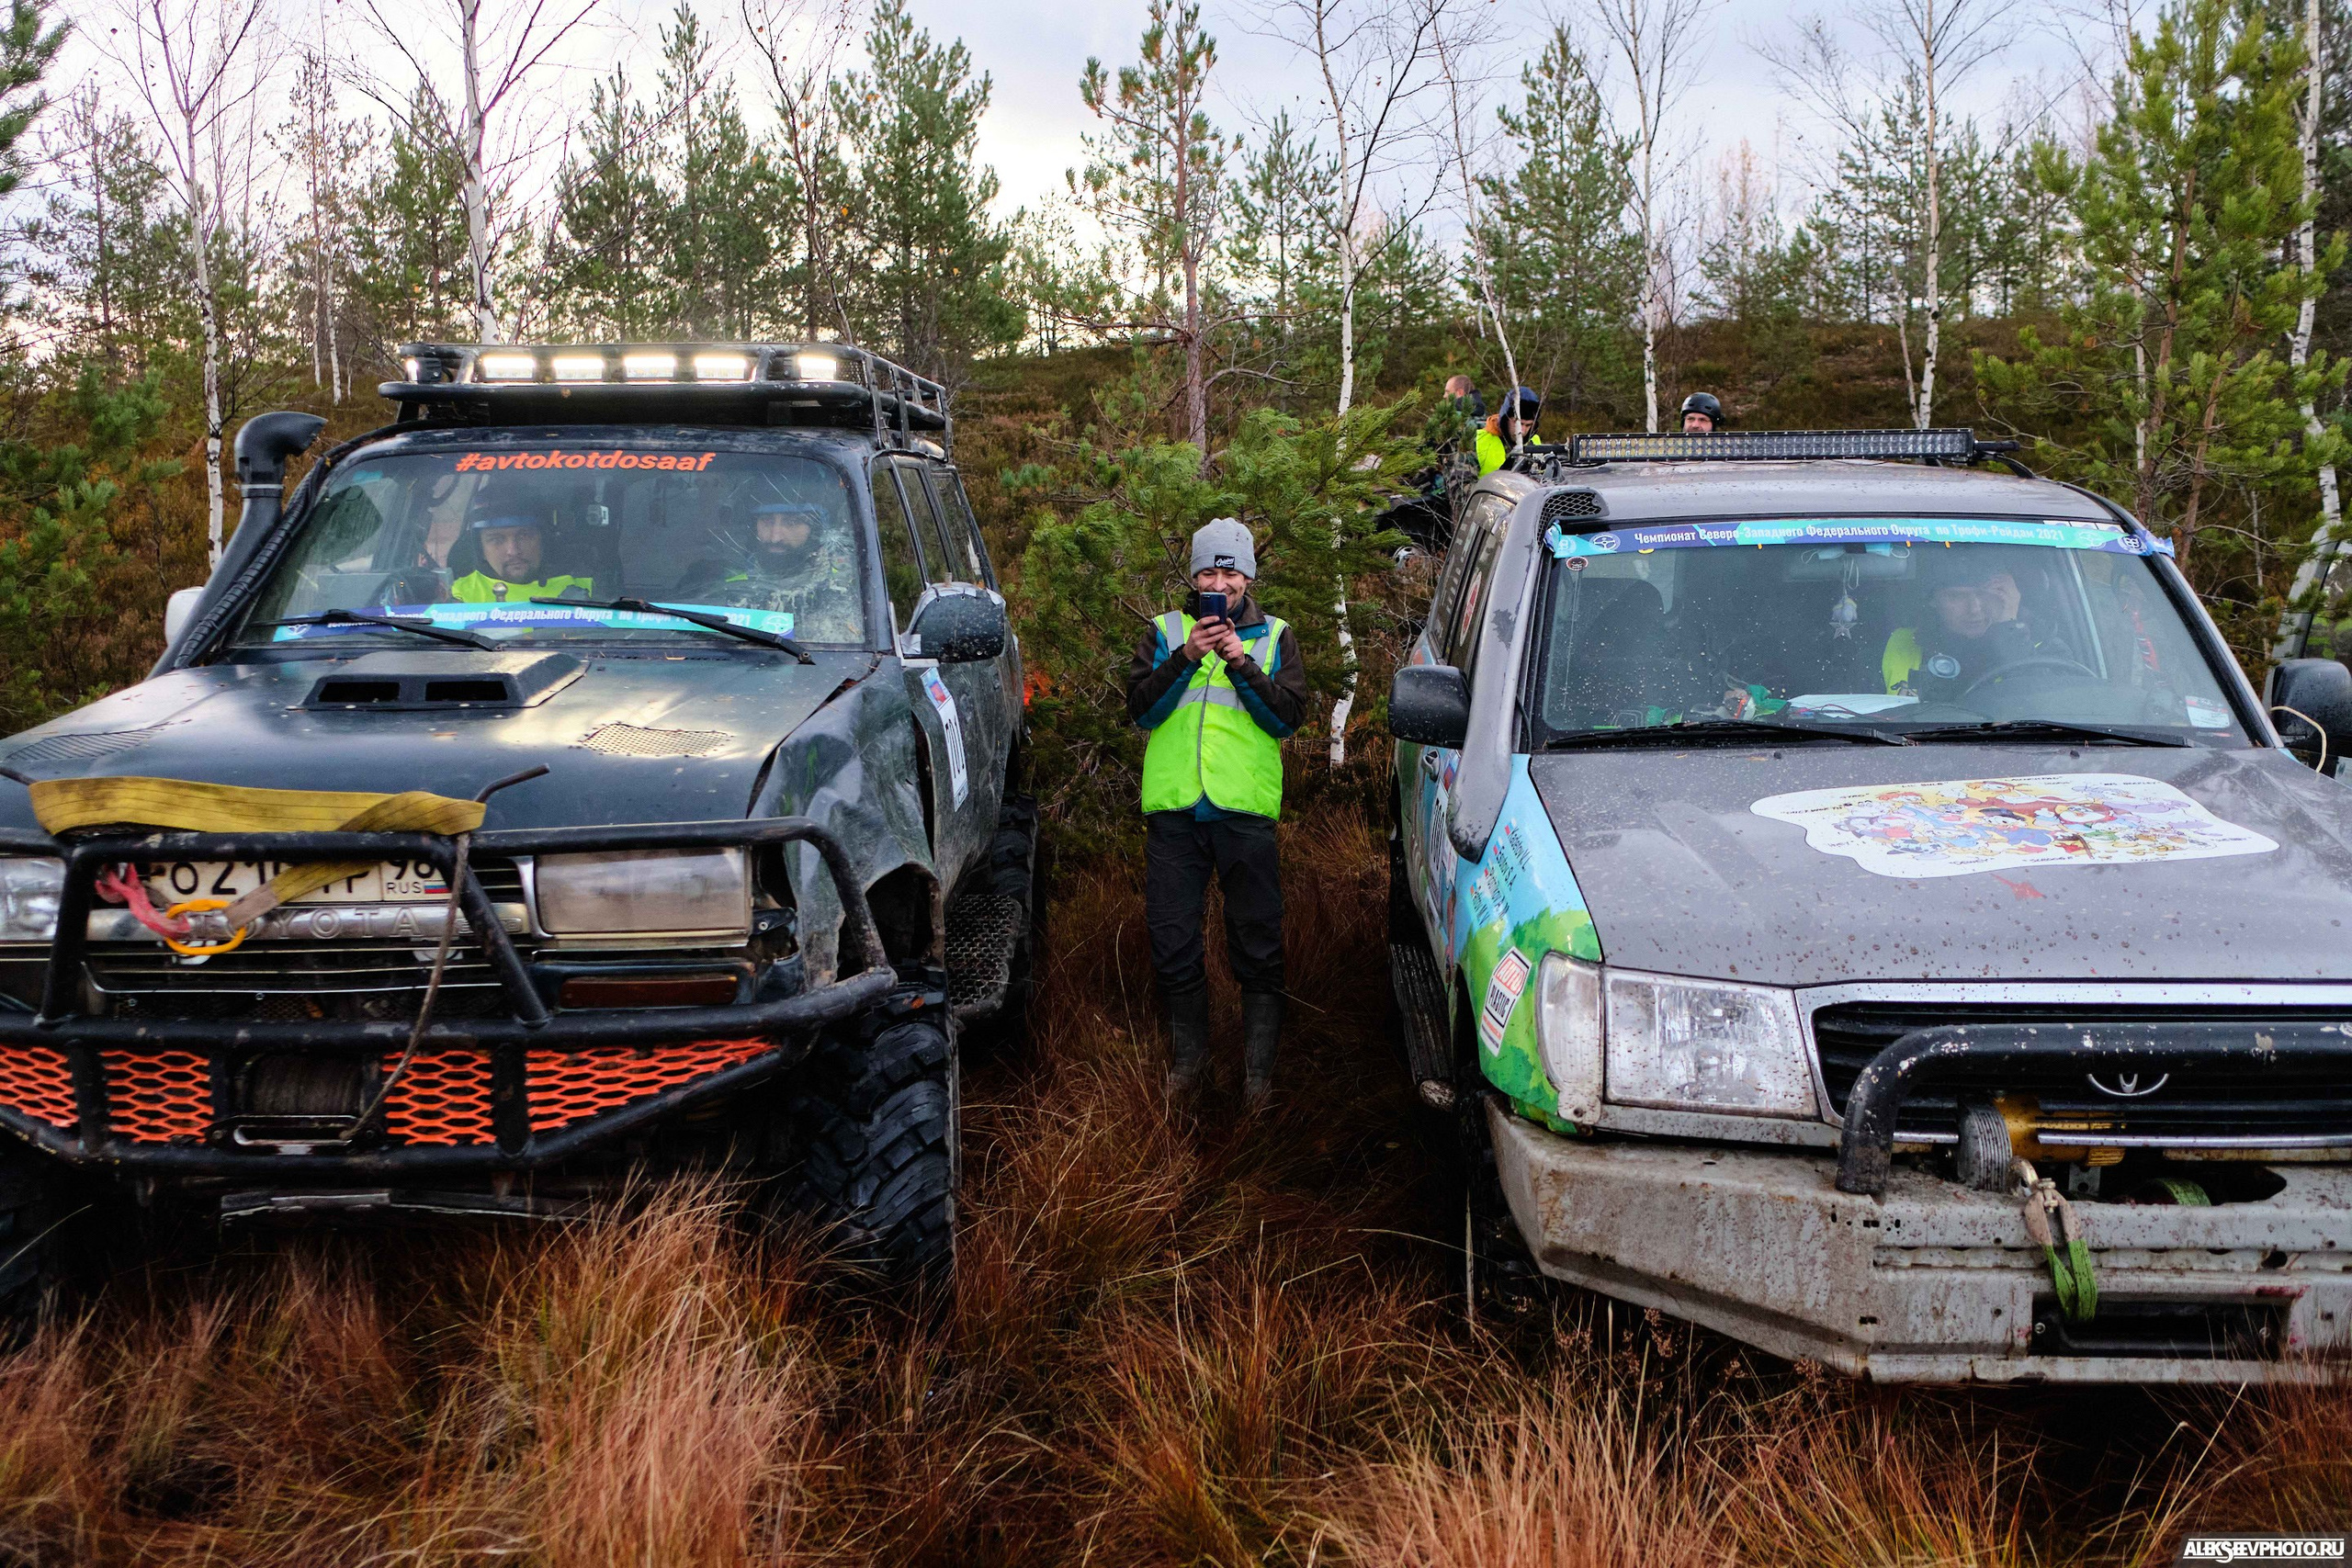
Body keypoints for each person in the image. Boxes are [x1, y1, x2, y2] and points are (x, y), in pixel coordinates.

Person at [1125, 518, 1309, 1111]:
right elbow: (1142, 713)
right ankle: (1189, 1067)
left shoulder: (1275, 636)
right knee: (1173, 941)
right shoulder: (1164, 631)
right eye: (1210, 570)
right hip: (1175, 814)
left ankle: (1259, 1079)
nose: (1220, 582)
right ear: (1194, 575)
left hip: (1244, 814)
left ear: (1248, 576)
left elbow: (1286, 719)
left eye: (1231, 571)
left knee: (1257, 942)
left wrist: (1241, 663)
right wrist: (1184, 658)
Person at [1883, 552, 2071, 703]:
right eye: (1956, 597)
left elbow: (2046, 712)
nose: (1974, 609)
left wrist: (2010, 627)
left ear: (2008, 596)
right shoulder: (1902, 642)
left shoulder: (2047, 649)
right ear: (1932, 599)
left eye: (1985, 595)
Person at [678, 498, 863, 640]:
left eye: (791, 523)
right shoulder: (719, 584)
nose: (775, 537)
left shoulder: (849, 589)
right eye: (766, 521)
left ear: (817, 528)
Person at [449, 511, 596, 603]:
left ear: (544, 541)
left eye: (524, 536)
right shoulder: (459, 594)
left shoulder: (587, 588)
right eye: (496, 539)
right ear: (480, 549)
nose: (513, 551)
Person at [1476, 386, 1544, 474]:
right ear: (1505, 420)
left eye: (1528, 425)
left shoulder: (1535, 441)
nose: (1522, 431)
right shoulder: (1479, 441)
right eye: (1519, 424)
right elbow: (1461, 483)